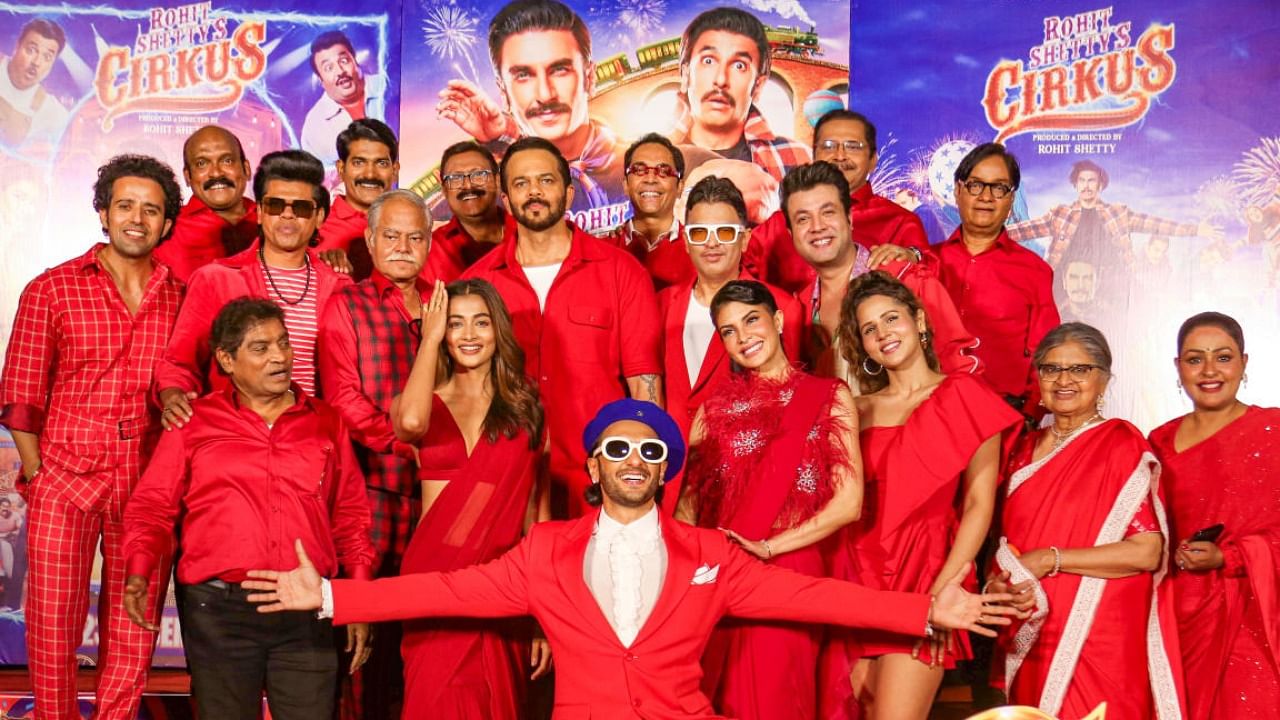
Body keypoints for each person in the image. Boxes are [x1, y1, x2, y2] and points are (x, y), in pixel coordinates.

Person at [242, 399, 1017, 719]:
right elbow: (444, 588)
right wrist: (333, 598)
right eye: (619, 448)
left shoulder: (710, 554)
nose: (634, 458)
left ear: (664, 468)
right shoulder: (544, 551)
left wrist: (924, 611)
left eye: (651, 450)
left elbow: (809, 599)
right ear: (598, 465)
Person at [122, 297, 374, 720]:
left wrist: (359, 598)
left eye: (284, 343)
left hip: (307, 610)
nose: (279, 357)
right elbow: (152, 506)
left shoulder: (326, 421)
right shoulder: (193, 422)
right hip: (218, 613)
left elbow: (350, 515)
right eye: (260, 348)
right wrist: (138, 570)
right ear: (226, 359)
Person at [0, 154, 184, 720]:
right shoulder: (52, 289)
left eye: (151, 210)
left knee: (135, 620)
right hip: (64, 477)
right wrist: (38, 473)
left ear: (167, 224)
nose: (137, 218)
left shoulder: (179, 294)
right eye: (125, 206)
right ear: (103, 213)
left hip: (147, 482)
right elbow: (20, 397)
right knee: (54, 621)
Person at [822, 271, 1022, 720]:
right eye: (869, 329)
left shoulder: (967, 395)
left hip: (923, 572)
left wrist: (942, 590)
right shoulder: (854, 409)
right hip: (854, 578)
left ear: (920, 321)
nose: (883, 334)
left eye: (891, 319)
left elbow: (978, 506)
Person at [674, 278, 860, 720]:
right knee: (727, 696)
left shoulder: (829, 396)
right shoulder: (713, 407)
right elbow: (688, 504)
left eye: (751, 320)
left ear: (776, 321)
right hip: (726, 573)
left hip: (794, 567)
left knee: (783, 695)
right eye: (729, 331)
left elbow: (849, 501)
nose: (743, 338)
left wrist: (772, 547)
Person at [987, 323, 1184, 719]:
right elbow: (1007, 543)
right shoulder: (1019, 450)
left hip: (1102, 634)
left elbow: (1147, 551)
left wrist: (1050, 559)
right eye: (1051, 369)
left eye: (1080, 369)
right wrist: (1000, 583)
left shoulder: (1120, 443)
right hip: (1033, 628)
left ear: (1104, 380)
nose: (1064, 380)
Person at [462, 136, 662, 518]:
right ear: (505, 199)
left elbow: (644, 388)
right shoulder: (478, 284)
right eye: (521, 183)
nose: (534, 192)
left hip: (598, 482)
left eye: (546, 181)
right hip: (508, 484)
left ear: (569, 193)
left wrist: (644, 480)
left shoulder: (621, 273)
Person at [390, 278, 551, 718]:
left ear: (498, 331)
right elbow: (410, 421)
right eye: (455, 324)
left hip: (502, 581)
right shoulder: (421, 400)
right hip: (432, 580)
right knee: (435, 700)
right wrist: (429, 338)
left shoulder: (527, 409)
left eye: (481, 322)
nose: (468, 335)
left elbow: (536, 520)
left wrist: (540, 611)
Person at [316, 189, 432, 718]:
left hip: (437, 495)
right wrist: (404, 447)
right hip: (372, 491)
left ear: (429, 243)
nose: (403, 247)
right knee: (361, 635)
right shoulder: (348, 304)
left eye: (415, 237)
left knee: (426, 635)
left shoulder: (446, 303)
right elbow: (342, 399)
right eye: (392, 236)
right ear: (369, 240)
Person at [1149, 312, 1279, 719]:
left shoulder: (1272, 430)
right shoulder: (1159, 441)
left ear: (1243, 361)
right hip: (1178, 615)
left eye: (1222, 358)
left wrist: (1232, 557)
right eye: (1194, 359)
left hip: (1252, 612)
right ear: (1177, 366)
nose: (1208, 371)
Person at [156, 149, 350, 416]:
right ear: (259, 212)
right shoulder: (216, 279)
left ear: (319, 218)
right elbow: (179, 363)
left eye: (302, 208)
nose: (288, 215)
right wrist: (174, 395)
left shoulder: (341, 288)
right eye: (275, 205)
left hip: (314, 440)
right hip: (239, 439)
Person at [656, 177, 802, 500]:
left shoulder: (783, 308)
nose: (711, 244)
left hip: (745, 486)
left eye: (724, 232)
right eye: (699, 233)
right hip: (669, 481)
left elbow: (788, 404)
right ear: (686, 241)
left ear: (745, 239)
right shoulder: (660, 305)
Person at [780, 161, 980, 385]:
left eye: (828, 212)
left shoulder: (906, 279)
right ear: (791, 233)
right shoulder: (800, 309)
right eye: (803, 219)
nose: (817, 226)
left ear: (849, 218)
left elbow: (961, 368)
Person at [437, 0, 626, 218]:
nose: (545, 95)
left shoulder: (639, 167)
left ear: (590, 77)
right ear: (503, 92)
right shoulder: (492, 191)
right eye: (523, 76)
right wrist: (495, 142)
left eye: (559, 70)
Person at [746, 110, 931, 294]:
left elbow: (929, 278)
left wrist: (914, 256)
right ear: (814, 153)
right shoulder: (779, 225)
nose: (840, 156)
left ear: (873, 159)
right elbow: (740, 276)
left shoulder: (900, 222)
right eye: (828, 146)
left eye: (853, 146)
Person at [934, 144, 1059, 417]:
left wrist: (1026, 416)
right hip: (929, 413)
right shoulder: (928, 263)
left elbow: (1046, 353)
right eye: (976, 185)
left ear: (1011, 199)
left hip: (1001, 419)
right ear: (958, 190)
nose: (986, 197)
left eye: (999, 188)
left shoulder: (1035, 271)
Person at [1007, 159, 1223, 300]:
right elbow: (1026, 230)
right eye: (1081, 180)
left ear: (1101, 184)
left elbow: (1156, 224)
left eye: (1092, 180)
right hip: (1066, 288)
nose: (1086, 185)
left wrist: (1195, 230)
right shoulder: (1061, 214)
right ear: (1075, 185)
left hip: (1111, 288)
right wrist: (981, 233)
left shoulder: (1118, 213)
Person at [669, 8, 809, 223]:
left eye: (739, 65)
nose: (721, 79)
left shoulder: (799, 159)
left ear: (759, 86)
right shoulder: (648, 161)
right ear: (685, 73)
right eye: (708, 61)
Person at [154, 125, 258, 282]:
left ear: (246, 168)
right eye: (202, 163)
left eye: (227, 161)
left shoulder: (273, 221)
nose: (216, 173)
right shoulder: (164, 229)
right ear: (188, 176)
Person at [596, 133, 694, 291]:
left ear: (680, 187)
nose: (650, 179)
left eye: (664, 171)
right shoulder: (600, 251)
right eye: (639, 170)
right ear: (626, 185)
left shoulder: (699, 250)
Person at [315, 118, 401, 282]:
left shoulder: (410, 229)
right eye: (359, 163)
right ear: (341, 169)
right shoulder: (315, 227)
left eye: (381, 163)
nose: (370, 174)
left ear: (395, 170)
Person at [301, 31, 389, 171]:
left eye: (344, 61)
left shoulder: (388, 87)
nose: (340, 71)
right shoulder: (314, 126)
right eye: (328, 68)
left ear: (355, 60)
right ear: (320, 80)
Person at [429, 141, 510, 282]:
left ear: (497, 180)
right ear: (444, 189)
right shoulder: (431, 251)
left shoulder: (524, 231)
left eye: (479, 174)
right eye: (455, 178)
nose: (468, 186)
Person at [0, 18, 69, 153]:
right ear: (17, 46)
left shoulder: (53, 113)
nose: (37, 62)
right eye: (31, 50)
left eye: (47, 57)